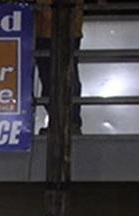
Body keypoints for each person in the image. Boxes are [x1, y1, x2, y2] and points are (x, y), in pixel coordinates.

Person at [35, 0, 84, 134]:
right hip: (50, 26)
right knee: (50, 78)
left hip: (62, 25)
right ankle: (65, 122)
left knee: (61, 77)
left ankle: (69, 122)